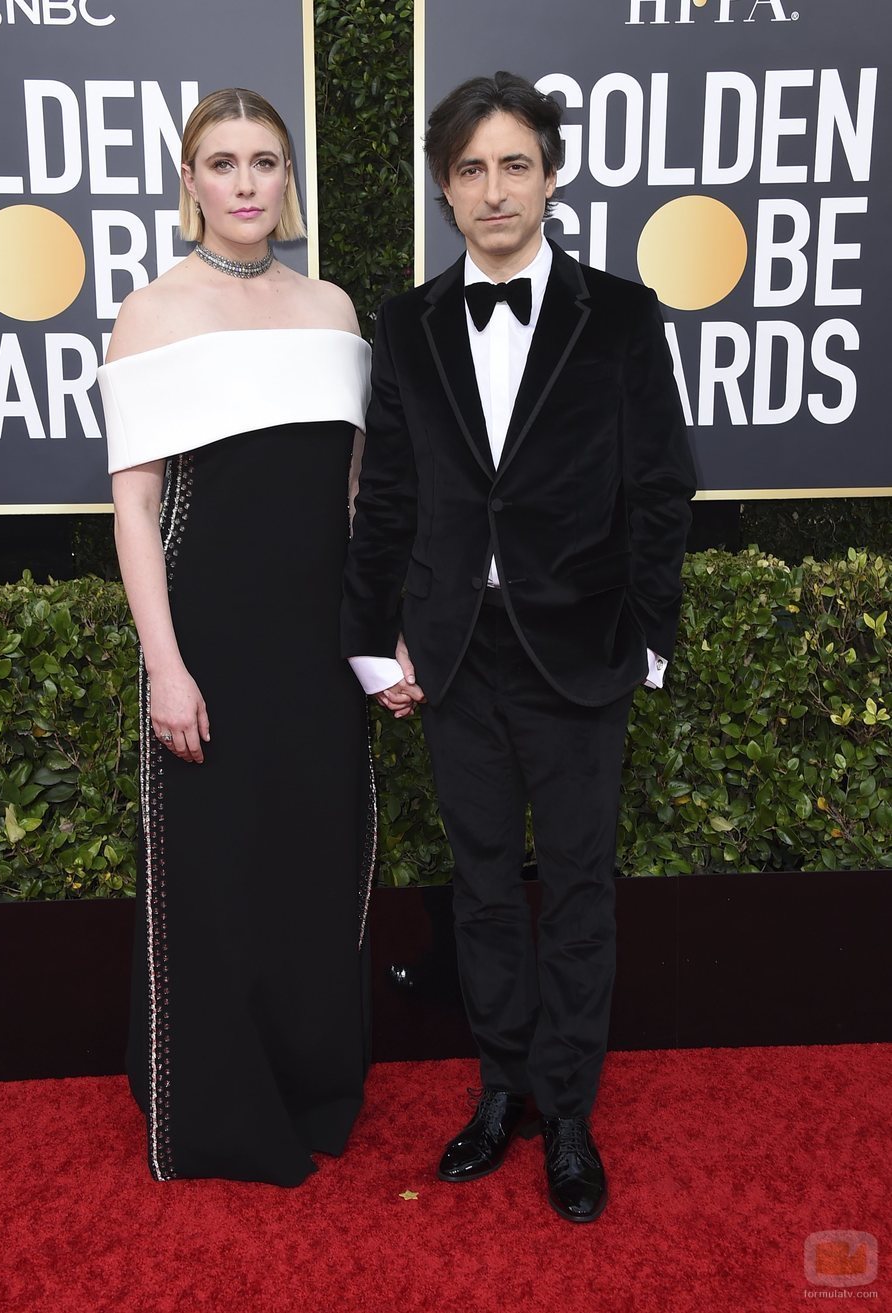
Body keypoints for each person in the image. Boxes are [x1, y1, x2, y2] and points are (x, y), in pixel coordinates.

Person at [342, 72, 696, 1222]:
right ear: (443, 190)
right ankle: (501, 1089)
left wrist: (648, 632)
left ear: (549, 175)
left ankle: (570, 1111)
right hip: (454, 652)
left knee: (579, 888)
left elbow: (657, 484)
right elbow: (385, 495)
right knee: (484, 888)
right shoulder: (406, 324)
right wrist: (368, 640)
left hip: (583, 644)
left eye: (513, 165)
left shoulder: (621, 314)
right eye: (468, 169)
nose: (492, 190)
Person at [97, 88, 374, 1186]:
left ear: (285, 177)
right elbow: (132, 505)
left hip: (316, 639)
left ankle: (310, 1081)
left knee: (314, 859)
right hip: (208, 633)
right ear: (191, 182)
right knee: (214, 870)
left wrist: (373, 633)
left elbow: (353, 497)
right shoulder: (151, 311)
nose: (247, 182)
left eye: (264, 160)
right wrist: (165, 665)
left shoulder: (334, 307)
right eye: (223, 162)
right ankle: (216, 1105)